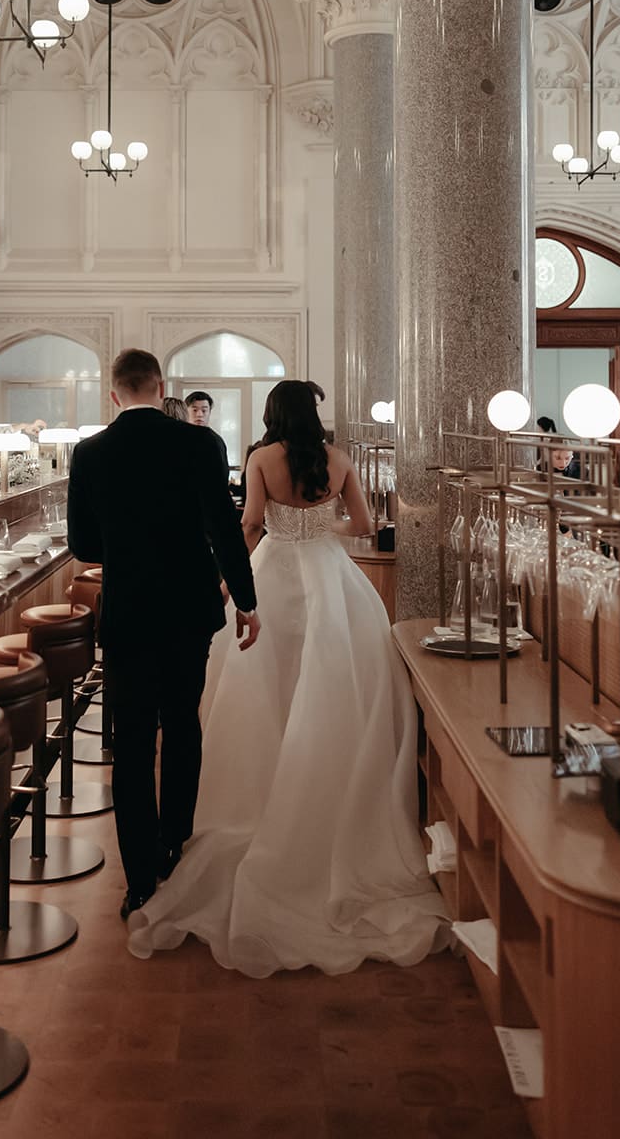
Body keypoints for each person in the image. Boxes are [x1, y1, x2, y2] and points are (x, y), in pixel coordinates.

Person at [128, 379, 449, 976]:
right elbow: (363, 524)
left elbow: (250, 523)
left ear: (273, 414)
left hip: (271, 574)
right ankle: (324, 783)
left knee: (263, 686)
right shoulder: (339, 459)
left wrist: (228, 583)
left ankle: (264, 784)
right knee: (331, 684)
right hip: (331, 579)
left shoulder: (260, 459)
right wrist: (321, 527)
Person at [67, 349, 258, 920]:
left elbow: (83, 545)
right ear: (160, 385)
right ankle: (175, 843)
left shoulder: (90, 452)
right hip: (188, 609)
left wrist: (126, 544)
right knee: (181, 725)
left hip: (129, 612)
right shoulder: (200, 445)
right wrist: (246, 600)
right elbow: (224, 528)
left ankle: (138, 878)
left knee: (130, 744)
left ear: (113, 394)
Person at [184, 389, 229, 473]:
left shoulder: (215, 441)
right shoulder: (180, 437)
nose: (199, 414)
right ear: (186, 411)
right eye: (194, 410)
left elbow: (222, 472)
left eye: (204, 411)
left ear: (209, 412)